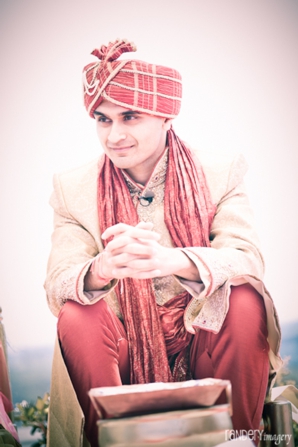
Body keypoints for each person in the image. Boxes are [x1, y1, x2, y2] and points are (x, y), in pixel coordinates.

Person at [45, 39, 282, 447]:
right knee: (76, 313)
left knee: (245, 296)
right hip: (123, 361)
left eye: (130, 116)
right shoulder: (73, 189)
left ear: (166, 117)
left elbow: (246, 259)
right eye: (103, 119)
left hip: (203, 346)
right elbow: (57, 283)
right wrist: (102, 269)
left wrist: (173, 261)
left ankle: (239, 439)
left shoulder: (220, 171)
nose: (114, 135)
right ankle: (113, 438)